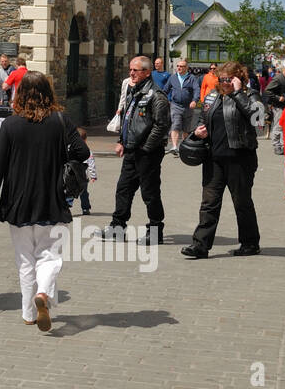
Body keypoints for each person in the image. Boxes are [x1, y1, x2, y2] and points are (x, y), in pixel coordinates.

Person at [0, 72, 88, 331]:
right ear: (48, 93)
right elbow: (82, 151)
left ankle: (29, 312)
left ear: (20, 94)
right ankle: (43, 294)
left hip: (17, 200)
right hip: (51, 198)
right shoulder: (60, 121)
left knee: (25, 260)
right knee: (50, 255)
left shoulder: (10, 124)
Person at [181, 62, 262, 259]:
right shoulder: (211, 96)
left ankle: (250, 243)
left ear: (238, 78)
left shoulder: (250, 95)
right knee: (209, 203)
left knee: (241, 202)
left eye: (229, 79)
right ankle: (200, 245)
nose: (224, 83)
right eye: (221, 79)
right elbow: (201, 119)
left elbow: (258, 120)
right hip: (213, 158)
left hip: (240, 158)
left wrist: (237, 93)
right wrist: (198, 131)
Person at [102, 56, 170, 245]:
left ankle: (155, 231)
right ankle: (117, 227)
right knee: (123, 189)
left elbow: (162, 125)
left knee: (149, 192)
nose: (131, 74)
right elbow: (127, 119)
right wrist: (121, 141)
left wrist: (147, 147)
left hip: (148, 152)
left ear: (147, 72)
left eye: (136, 70)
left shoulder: (156, 95)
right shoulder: (134, 91)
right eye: (130, 70)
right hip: (131, 150)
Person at [166, 59, 199, 155]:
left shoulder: (191, 78)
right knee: (175, 125)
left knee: (186, 128)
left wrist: (194, 100)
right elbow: (165, 89)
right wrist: (164, 99)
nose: (179, 68)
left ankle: (184, 147)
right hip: (175, 105)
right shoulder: (173, 77)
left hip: (188, 106)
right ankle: (175, 147)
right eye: (178, 66)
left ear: (186, 68)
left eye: (181, 66)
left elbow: (196, 89)